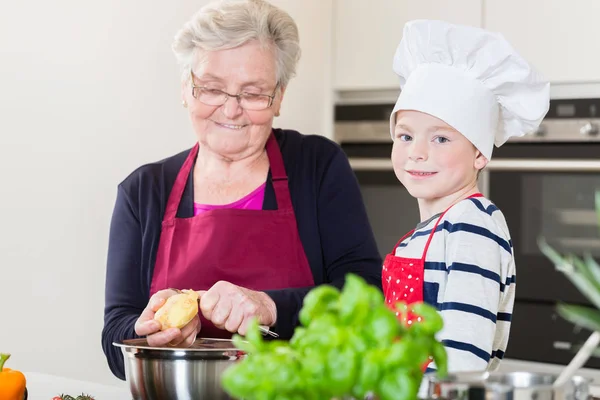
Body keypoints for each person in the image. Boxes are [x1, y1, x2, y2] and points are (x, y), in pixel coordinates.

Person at [101, 0, 382, 380]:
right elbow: (116, 343)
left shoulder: (317, 166)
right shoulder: (143, 192)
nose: (231, 111)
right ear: (186, 88)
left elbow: (366, 297)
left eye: (252, 93)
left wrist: (270, 307)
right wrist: (148, 331)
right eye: (212, 89)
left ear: (279, 97)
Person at [382, 19, 550, 373]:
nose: (417, 152)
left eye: (440, 138)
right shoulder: (428, 231)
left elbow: (462, 359)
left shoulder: (472, 225)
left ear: (480, 154)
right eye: (405, 136)